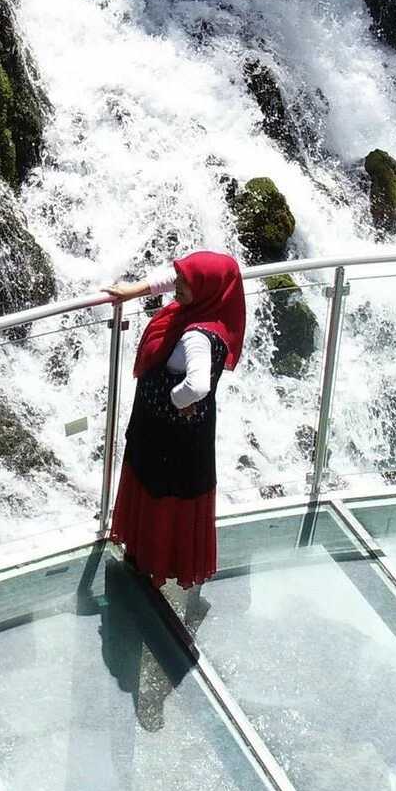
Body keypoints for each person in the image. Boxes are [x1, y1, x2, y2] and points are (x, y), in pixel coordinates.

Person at [103, 249, 247, 590]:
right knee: (176, 496)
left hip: (166, 431)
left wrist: (175, 399)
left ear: (204, 288)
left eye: (185, 281)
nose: (176, 284)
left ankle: (151, 565)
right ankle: (160, 561)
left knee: (160, 493)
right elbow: (176, 279)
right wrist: (135, 290)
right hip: (189, 432)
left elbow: (198, 385)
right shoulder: (213, 309)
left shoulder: (194, 336)